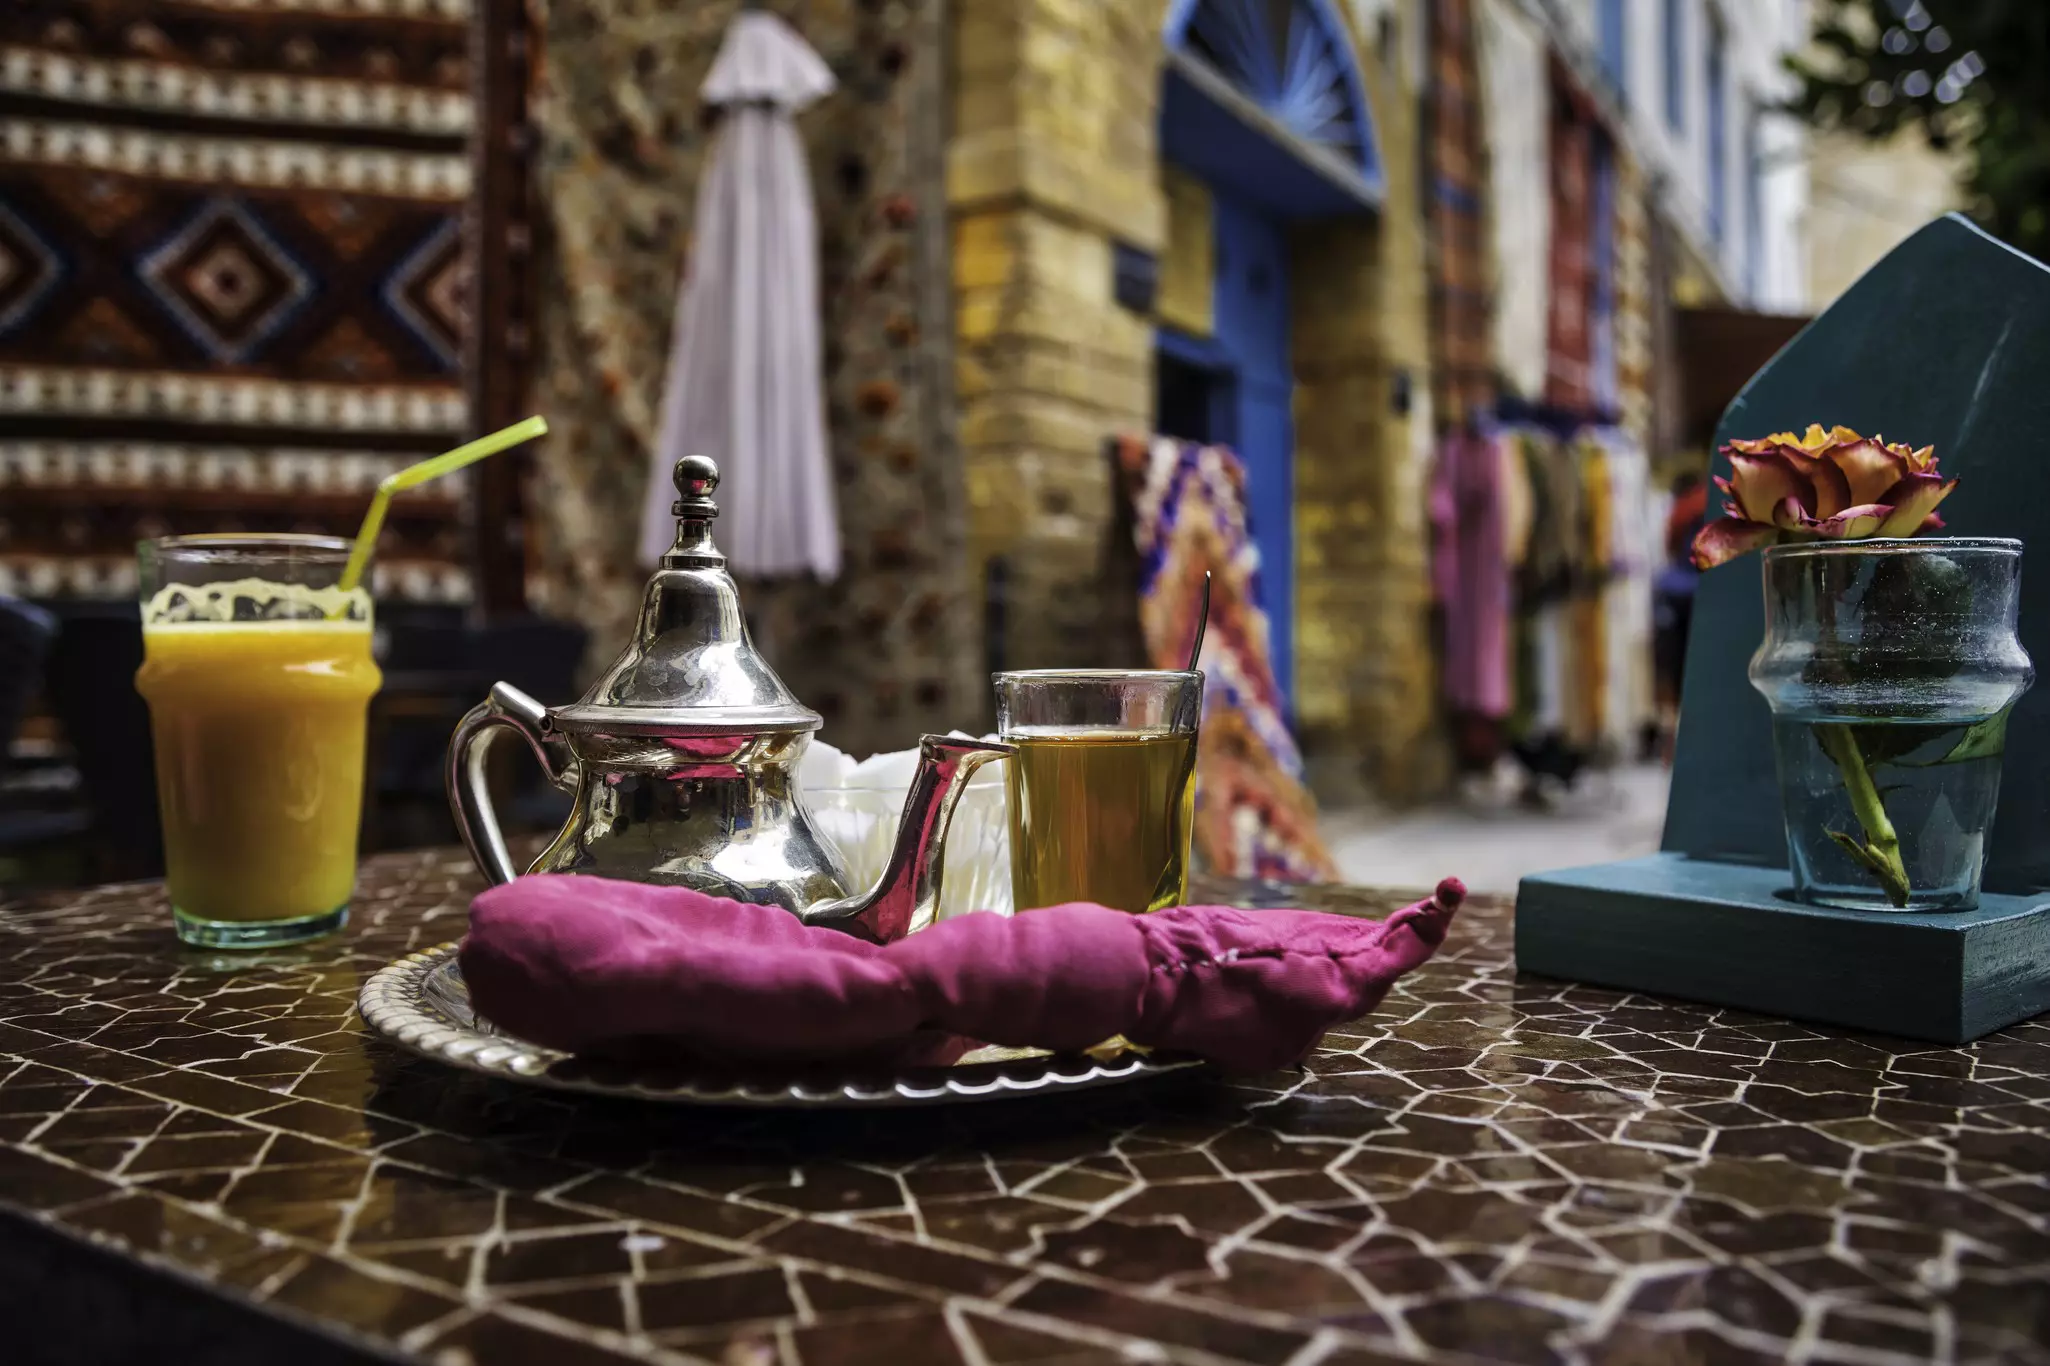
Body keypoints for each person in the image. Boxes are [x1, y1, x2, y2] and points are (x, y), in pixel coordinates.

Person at [1651, 471, 1708, 761]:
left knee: (1674, 673)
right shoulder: (1707, 501)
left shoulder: (1683, 507)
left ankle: (1673, 741)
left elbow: (1670, 544)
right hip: (1702, 592)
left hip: (1677, 593)